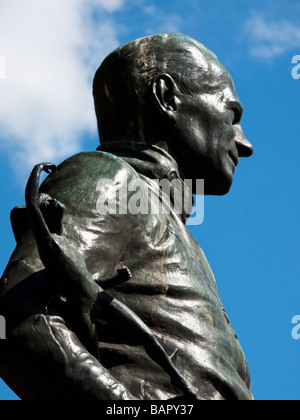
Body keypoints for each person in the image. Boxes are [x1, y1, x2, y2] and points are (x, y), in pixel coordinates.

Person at [0, 33, 254, 400]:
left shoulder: (175, 226)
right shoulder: (109, 178)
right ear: (167, 98)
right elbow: (17, 318)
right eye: (232, 115)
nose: (244, 143)